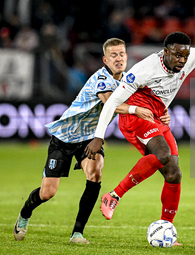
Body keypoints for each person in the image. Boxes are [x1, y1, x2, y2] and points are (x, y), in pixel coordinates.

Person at [85, 29, 195, 244]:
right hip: (137, 115)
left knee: (174, 174)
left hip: (156, 116)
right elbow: (112, 102)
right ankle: (114, 195)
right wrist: (98, 137)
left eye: (185, 56)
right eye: (177, 55)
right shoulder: (143, 70)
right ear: (165, 52)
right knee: (163, 154)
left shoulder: (189, 58)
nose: (182, 60)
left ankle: (166, 227)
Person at [13, 38, 171, 244]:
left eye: (122, 54)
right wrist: (136, 110)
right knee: (47, 192)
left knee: (95, 174)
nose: (119, 58)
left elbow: (147, 100)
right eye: (113, 55)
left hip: (89, 138)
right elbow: (110, 103)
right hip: (65, 138)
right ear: (105, 59)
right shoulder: (101, 78)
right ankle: (25, 214)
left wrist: (160, 114)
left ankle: (77, 233)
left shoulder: (129, 81)